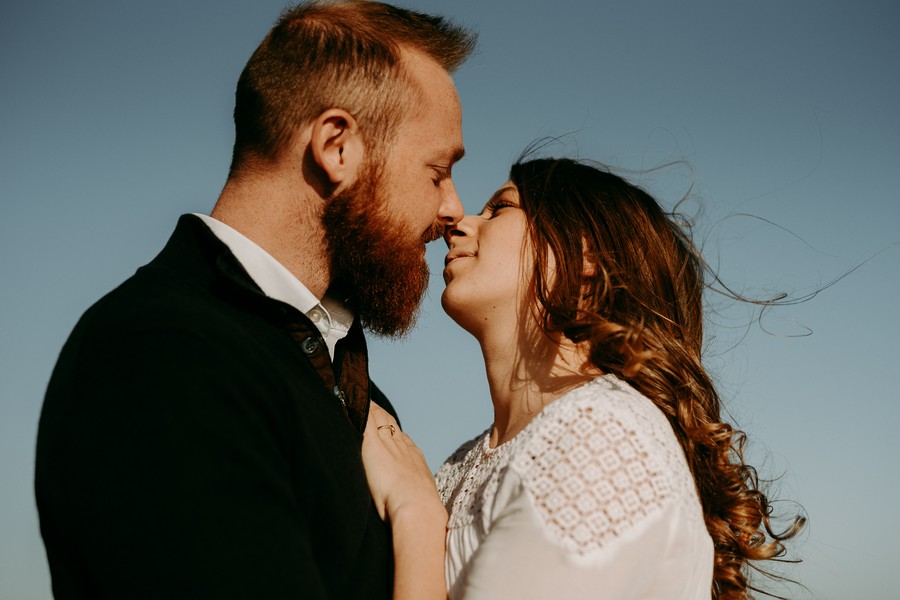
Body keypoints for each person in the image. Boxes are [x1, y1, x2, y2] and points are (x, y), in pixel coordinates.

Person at [35, 2, 475, 598]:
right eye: (437, 171)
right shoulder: (162, 355)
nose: (452, 209)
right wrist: (420, 522)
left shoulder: (346, 379)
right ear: (336, 147)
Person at [362, 157, 804, 599]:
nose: (460, 223)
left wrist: (415, 511)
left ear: (586, 254)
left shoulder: (605, 437)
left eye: (501, 208)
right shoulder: (465, 460)